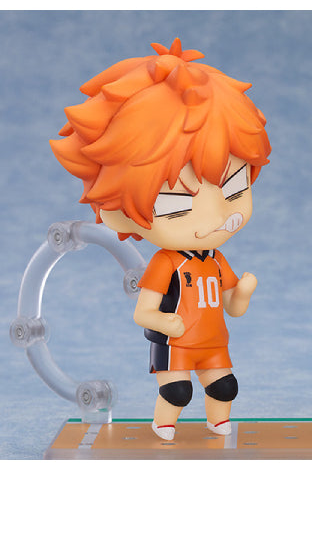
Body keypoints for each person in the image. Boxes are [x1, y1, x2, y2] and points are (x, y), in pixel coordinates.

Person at [51, 38, 271, 440]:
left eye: (234, 186)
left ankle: (218, 420)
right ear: (119, 206)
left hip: (214, 343)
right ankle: (164, 423)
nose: (217, 216)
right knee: (177, 390)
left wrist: (243, 293)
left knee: (225, 386)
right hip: (177, 343)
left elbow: (233, 307)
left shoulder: (215, 259)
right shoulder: (167, 262)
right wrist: (163, 321)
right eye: (178, 203)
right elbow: (143, 312)